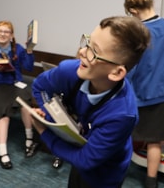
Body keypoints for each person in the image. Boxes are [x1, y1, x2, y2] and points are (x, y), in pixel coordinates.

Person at [31, 16, 151, 188]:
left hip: (106, 174)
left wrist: (44, 131)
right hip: (81, 149)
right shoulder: (71, 71)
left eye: (93, 51)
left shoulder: (123, 114)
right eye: (87, 42)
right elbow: (40, 87)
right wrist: (52, 118)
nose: (81, 52)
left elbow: (86, 160)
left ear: (116, 73)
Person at [124, 0, 164, 188]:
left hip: (136, 95)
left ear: (133, 9)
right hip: (162, 94)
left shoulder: (135, 31)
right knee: (154, 141)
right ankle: (151, 182)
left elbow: (129, 67)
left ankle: (116, 174)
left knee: (123, 136)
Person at [0, 20, 39, 170]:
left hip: (16, 83)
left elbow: (28, 67)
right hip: (0, 86)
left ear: (11, 35)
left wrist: (29, 50)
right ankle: (2, 151)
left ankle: (29, 140)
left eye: (6, 32)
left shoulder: (18, 49)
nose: (2, 34)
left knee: (25, 106)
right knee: (4, 114)